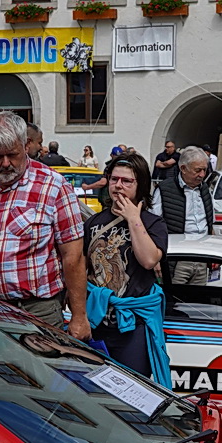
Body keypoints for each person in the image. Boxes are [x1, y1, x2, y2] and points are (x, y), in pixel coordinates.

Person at [0, 109, 89, 337]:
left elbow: (73, 256)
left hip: (35, 311)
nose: (5, 164)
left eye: (12, 155)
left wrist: (79, 317)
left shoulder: (53, 186)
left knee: (39, 373)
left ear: (26, 146)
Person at [83, 152, 171, 382]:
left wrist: (133, 218)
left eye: (127, 181)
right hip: (98, 321)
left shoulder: (154, 223)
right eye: (114, 179)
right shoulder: (93, 222)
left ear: (140, 185)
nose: (118, 186)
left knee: (134, 390)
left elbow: (149, 260)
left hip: (134, 326)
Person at [152, 143, 214, 284]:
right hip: (177, 260)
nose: (202, 175)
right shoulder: (164, 190)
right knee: (176, 302)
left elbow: (210, 224)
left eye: (204, 170)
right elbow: (154, 226)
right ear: (183, 168)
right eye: (198, 170)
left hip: (202, 258)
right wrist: (155, 259)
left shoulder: (205, 189)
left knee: (198, 303)